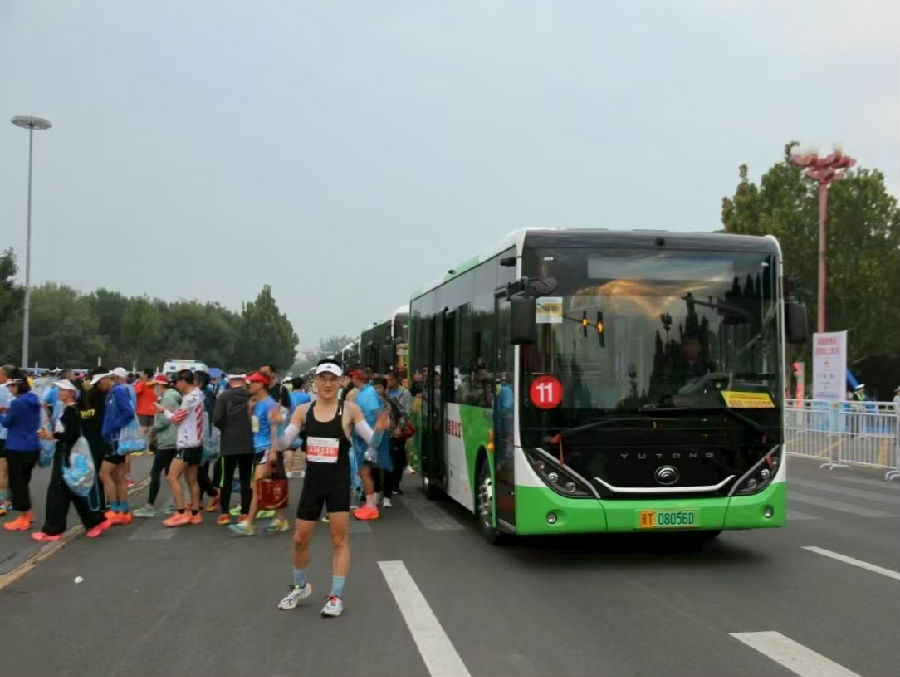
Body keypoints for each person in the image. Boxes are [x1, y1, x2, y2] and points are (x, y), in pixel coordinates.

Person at [272, 359, 388, 617]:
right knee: (300, 539)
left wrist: (380, 430)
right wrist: (277, 425)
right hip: (312, 483)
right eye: (323, 378)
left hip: (337, 482)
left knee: (339, 539)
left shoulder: (350, 410)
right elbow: (282, 444)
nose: (327, 384)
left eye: (332, 379)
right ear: (315, 382)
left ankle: (336, 596)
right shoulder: (303, 410)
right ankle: (300, 587)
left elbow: (372, 441)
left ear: (340, 382)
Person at [32, 379, 112, 541]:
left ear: (72, 393)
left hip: (67, 455)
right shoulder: (69, 409)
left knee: (58, 493)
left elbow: (72, 435)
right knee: (74, 491)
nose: (60, 392)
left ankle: (53, 530)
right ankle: (95, 521)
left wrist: (52, 435)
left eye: (63, 390)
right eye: (59, 389)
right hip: (67, 454)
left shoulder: (71, 410)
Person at [228, 372, 289, 535]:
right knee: (267, 485)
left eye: (252, 383)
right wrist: (250, 410)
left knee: (256, 485)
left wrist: (273, 453)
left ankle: (248, 523)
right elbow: (255, 427)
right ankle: (280, 519)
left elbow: (274, 429)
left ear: (261, 385)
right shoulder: (256, 403)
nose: (249, 386)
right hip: (259, 449)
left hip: (267, 449)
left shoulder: (270, 404)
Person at [160, 369, 205, 527]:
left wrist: (164, 411)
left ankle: (181, 512)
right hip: (197, 443)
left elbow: (176, 419)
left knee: (172, 477)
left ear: (184, 382)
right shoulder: (199, 394)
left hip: (186, 443)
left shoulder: (189, 399)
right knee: (192, 480)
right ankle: (195, 513)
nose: (176, 386)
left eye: (177, 383)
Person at [0, 368, 41, 531]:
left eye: (11, 386)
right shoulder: (33, 399)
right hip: (32, 446)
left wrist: (1, 414)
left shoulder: (17, 403)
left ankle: (23, 517)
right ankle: (27, 514)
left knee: (17, 484)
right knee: (24, 482)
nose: (10, 389)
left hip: (17, 447)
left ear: (17, 385)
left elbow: (7, 423)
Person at [134, 375, 181, 517]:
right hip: (173, 439)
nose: (154, 389)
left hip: (168, 440)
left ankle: (150, 505)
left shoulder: (167, 398)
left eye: (154, 386)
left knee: (156, 472)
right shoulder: (173, 396)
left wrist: (153, 430)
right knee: (170, 474)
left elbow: (164, 420)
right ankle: (176, 504)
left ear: (161, 385)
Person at [212, 372, 254, 526]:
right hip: (248, 442)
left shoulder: (223, 396)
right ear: (243, 381)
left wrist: (226, 428)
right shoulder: (251, 395)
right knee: (246, 479)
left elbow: (216, 419)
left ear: (229, 381)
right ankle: (245, 513)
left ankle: (225, 513)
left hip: (228, 443)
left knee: (226, 478)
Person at [97, 370, 136, 525]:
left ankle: (114, 509)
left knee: (104, 474)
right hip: (115, 438)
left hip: (114, 439)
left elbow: (129, 412)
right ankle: (123, 511)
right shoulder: (114, 392)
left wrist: (113, 427)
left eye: (99, 382)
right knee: (118, 476)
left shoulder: (117, 391)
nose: (99, 386)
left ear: (106, 379)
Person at [352, 373, 389, 520]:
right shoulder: (368, 393)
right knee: (365, 473)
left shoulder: (367, 395)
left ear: (357, 379)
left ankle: (371, 507)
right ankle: (370, 505)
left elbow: (373, 417)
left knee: (365, 473)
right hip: (369, 439)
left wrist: (373, 442)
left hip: (367, 440)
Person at [286, 377, 311, 478]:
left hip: (291, 423)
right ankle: (304, 471)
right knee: (304, 448)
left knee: (290, 448)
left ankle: (288, 471)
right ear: (302, 385)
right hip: (304, 424)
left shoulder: (288, 396)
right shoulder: (306, 396)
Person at [0, 364, 13, 516]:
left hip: (2, 434)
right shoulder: (15, 392)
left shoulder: (3, 390)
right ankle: (9, 500)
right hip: (12, 435)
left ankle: (2, 502)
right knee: (9, 470)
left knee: (2, 470)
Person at [133, 368, 158, 435]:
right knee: (151, 430)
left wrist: (138, 383)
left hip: (143, 411)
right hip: (153, 410)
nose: (141, 375)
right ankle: (150, 441)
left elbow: (134, 392)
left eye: (142, 373)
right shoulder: (155, 384)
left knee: (143, 431)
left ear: (146, 375)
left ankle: (144, 442)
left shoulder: (142, 384)